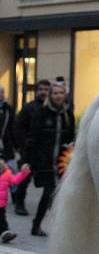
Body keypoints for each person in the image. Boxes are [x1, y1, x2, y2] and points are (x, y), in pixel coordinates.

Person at [25, 78, 75, 236]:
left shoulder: (68, 114)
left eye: (61, 93)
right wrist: (28, 161)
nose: (58, 96)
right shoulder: (41, 113)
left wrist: (70, 147)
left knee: (58, 195)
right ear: (50, 95)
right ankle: (37, 225)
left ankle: (52, 226)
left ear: (65, 95)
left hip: (61, 162)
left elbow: (71, 137)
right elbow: (32, 137)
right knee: (48, 193)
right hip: (44, 161)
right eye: (55, 93)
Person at [12, 79, 50, 216]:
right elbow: (18, 127)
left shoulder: (51, 108)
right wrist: (22, 146)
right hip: (30, 150)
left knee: (48, 179)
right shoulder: (29, 107)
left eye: (46, 90)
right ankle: (19, 203)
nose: (43, 92)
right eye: (41, 89)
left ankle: (48, 203)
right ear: (37, 91)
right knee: (24, 178)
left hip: (45, 152)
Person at [0, 159, 30, 243]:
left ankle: (5, 233)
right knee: (1, 219)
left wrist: (24, 172)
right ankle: (5, 233)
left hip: (1, 204)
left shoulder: (7, 174)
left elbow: (15, 180)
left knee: (2, 219)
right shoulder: (6, 173)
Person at [0, 88, 14, 167]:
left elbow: (12, 126)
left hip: (6, 144)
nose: (0, 95)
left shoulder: (8, 108)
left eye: (2, 92)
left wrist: (16, 146)